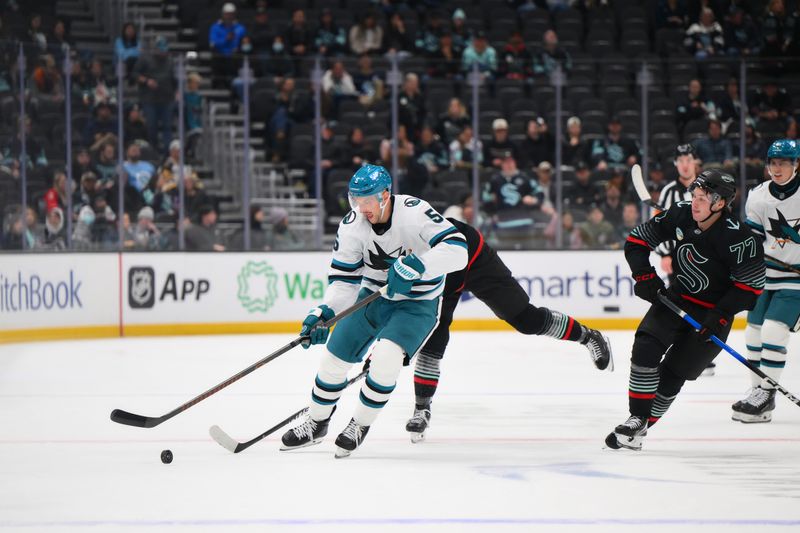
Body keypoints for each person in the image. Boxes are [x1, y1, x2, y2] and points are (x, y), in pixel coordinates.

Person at [279, 164, 468, 458]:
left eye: (367, 200)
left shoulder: (415, 213)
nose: (362, 207)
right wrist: (325, 311)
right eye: (357, 200)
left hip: (418, 303)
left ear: (385, 194)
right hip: (373, 296)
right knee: (333, 359)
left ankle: (359, 424)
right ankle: (317, 423)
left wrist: (420, 265)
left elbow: (458, 250)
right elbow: (344, 281)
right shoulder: (352, 225)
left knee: (385, 359)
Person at [405, 217, 613, 441]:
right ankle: (422, 409)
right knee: (435, 332)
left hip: (473, 259)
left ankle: (588, 336)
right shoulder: (375, 237)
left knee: (526, 319)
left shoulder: (409, 221)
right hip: (438, 269)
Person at [606, 169, 765, 451]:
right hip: (675, 300)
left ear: (720, 203)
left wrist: (720, 315)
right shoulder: (680, 214)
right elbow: (637, 240)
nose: (694, 201)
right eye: (694, 195)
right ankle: (636, 419)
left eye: (702, 197)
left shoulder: (739, 238)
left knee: (673, 376)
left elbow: (750, 287)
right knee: (645, 347)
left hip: (713, 315)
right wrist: (644, 275)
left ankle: (641, 426)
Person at [733, 139, 800, 423]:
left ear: (796, 164)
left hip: (795, 280)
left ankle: (767, 392)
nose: (777, 168)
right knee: (753, 333)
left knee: (773, 331)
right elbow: (755, 240)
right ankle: (759, 391)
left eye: (783, 163)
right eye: (773, 163)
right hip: (766, 276)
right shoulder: (758, 195)